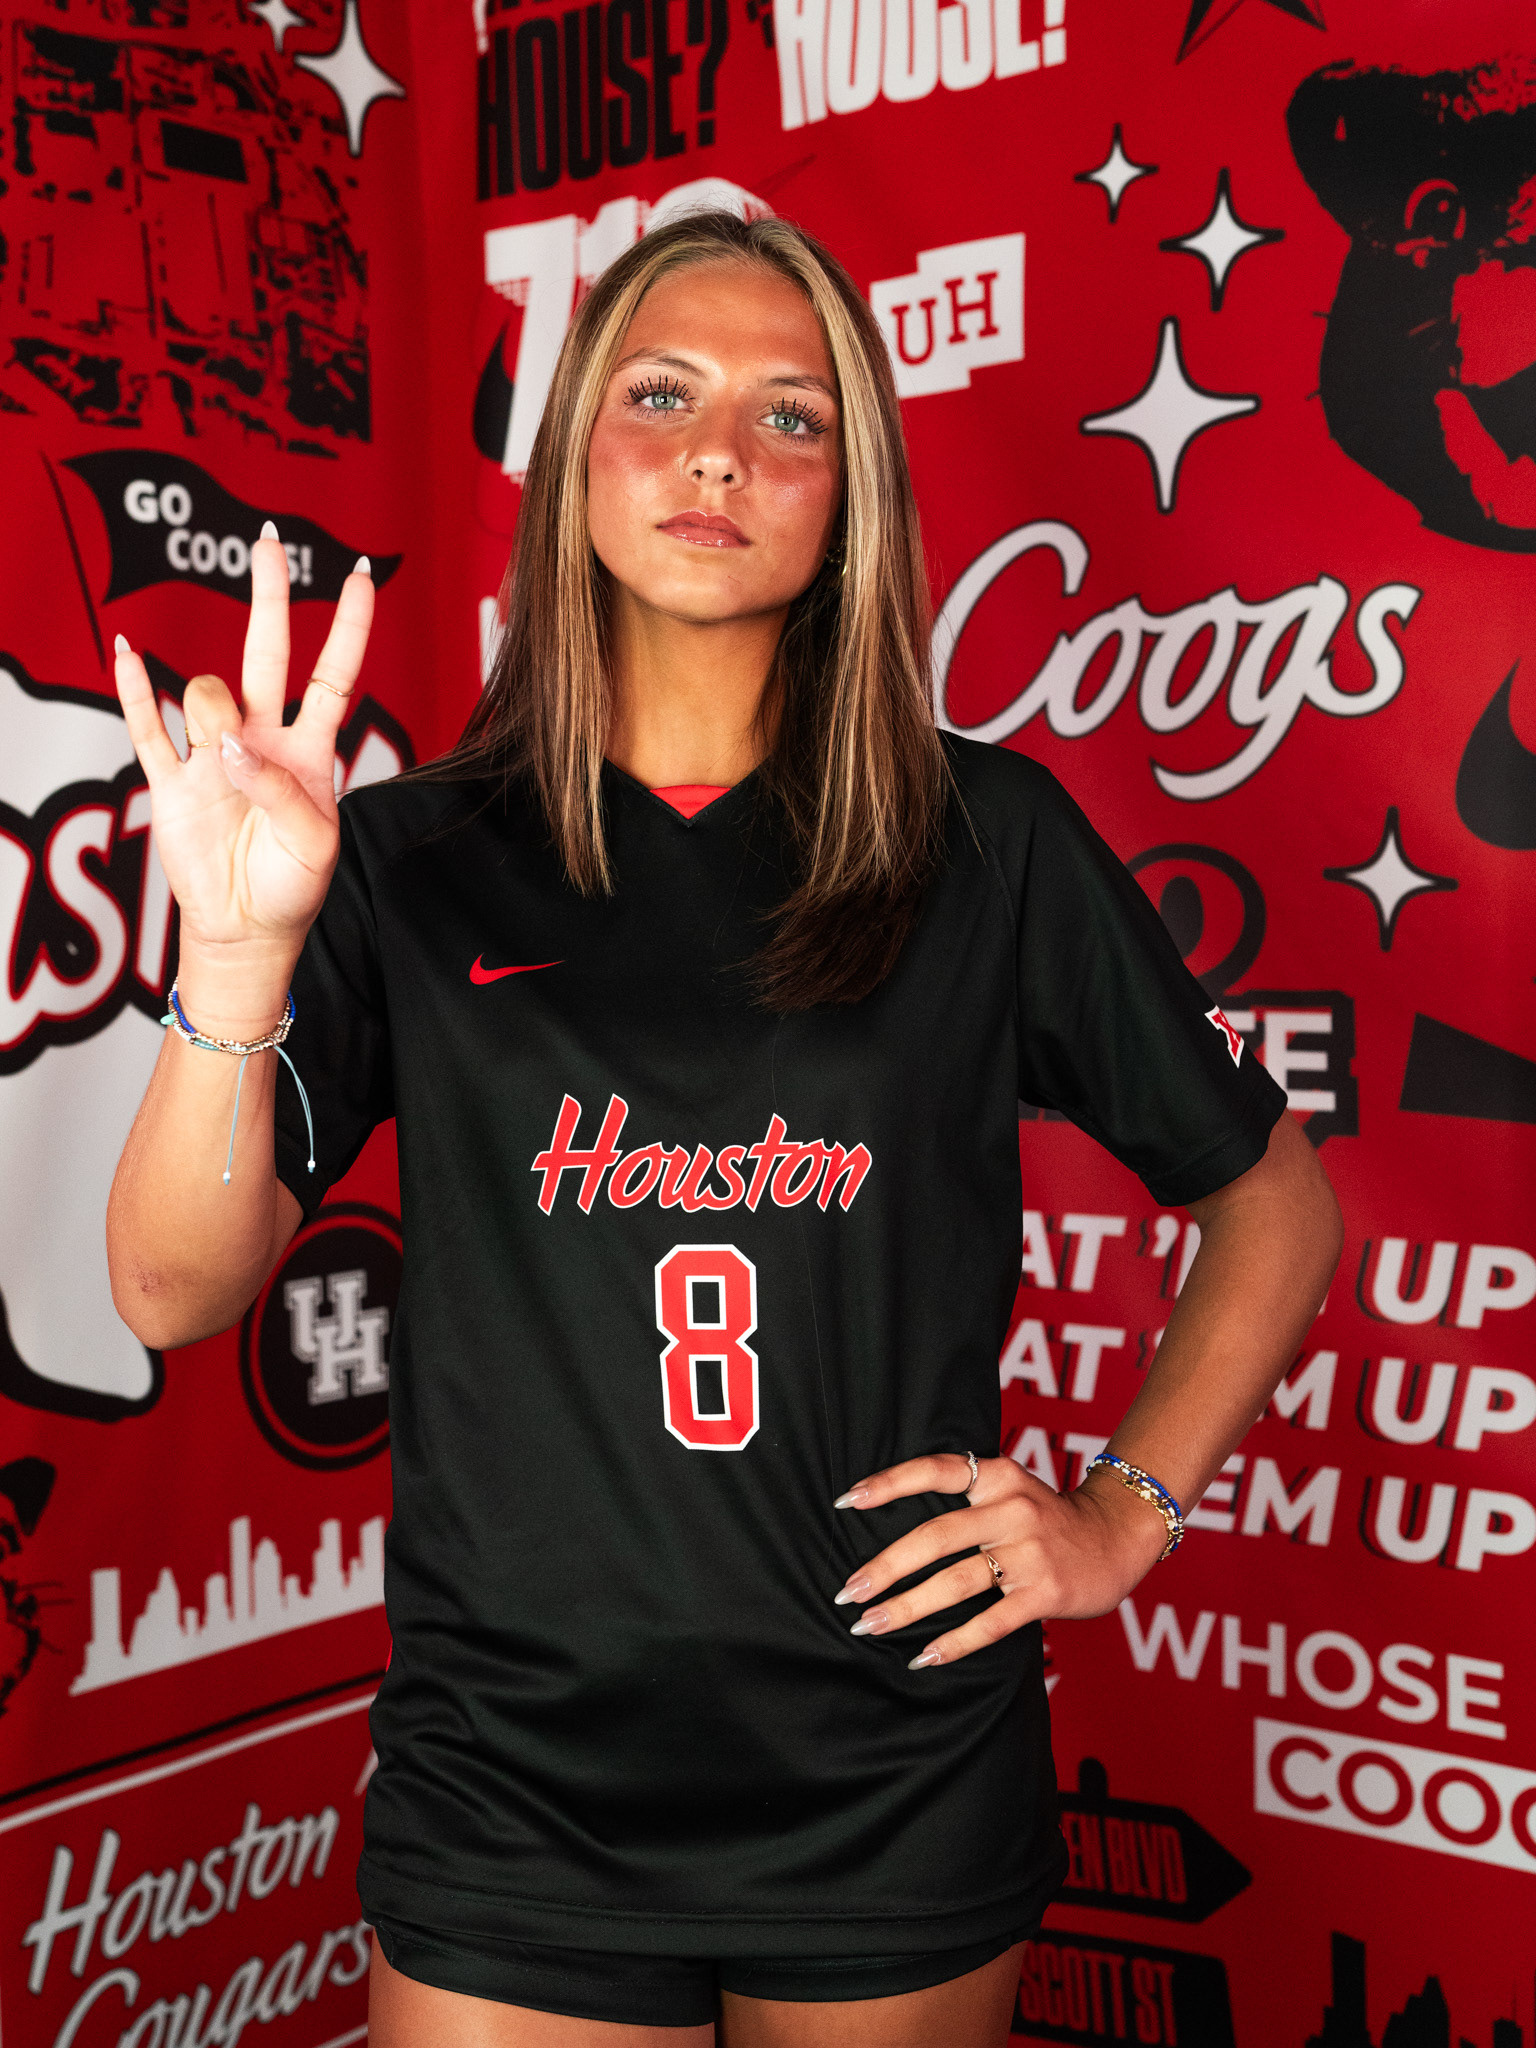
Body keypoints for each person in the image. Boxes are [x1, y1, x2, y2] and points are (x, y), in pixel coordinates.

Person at [107, 210, 1342, 2048]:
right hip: (512, 1781)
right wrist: (233, 953)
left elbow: (1276, 1204)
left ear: (853, 497)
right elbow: (169, 1290)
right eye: (661, 395)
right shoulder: (408, 857)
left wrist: (1120, 1514)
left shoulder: (983, 842)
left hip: (892, 1771)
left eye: (790, 417)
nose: (716, 455)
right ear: (573, 459)